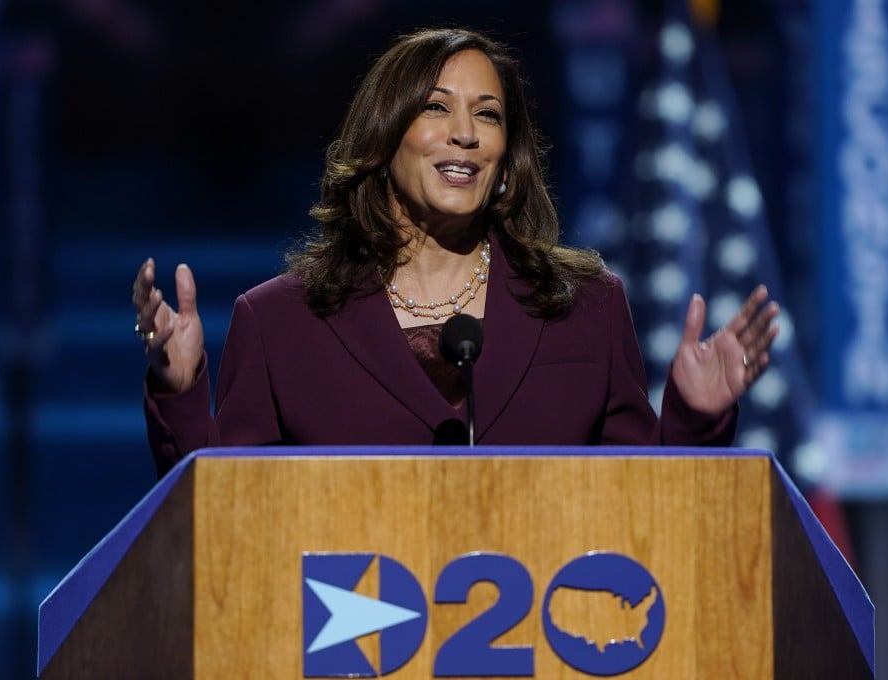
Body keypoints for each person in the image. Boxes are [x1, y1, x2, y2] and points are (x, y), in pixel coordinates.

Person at [132, 28, 779, 477]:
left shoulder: (586, 310)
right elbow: (225, 520)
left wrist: (695, 417)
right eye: (436, 109)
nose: (466, 134)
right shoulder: (280, 324)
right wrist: (181, 388)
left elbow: (645, 509)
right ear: (384, 140)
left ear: (506, 161)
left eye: (488, 115)